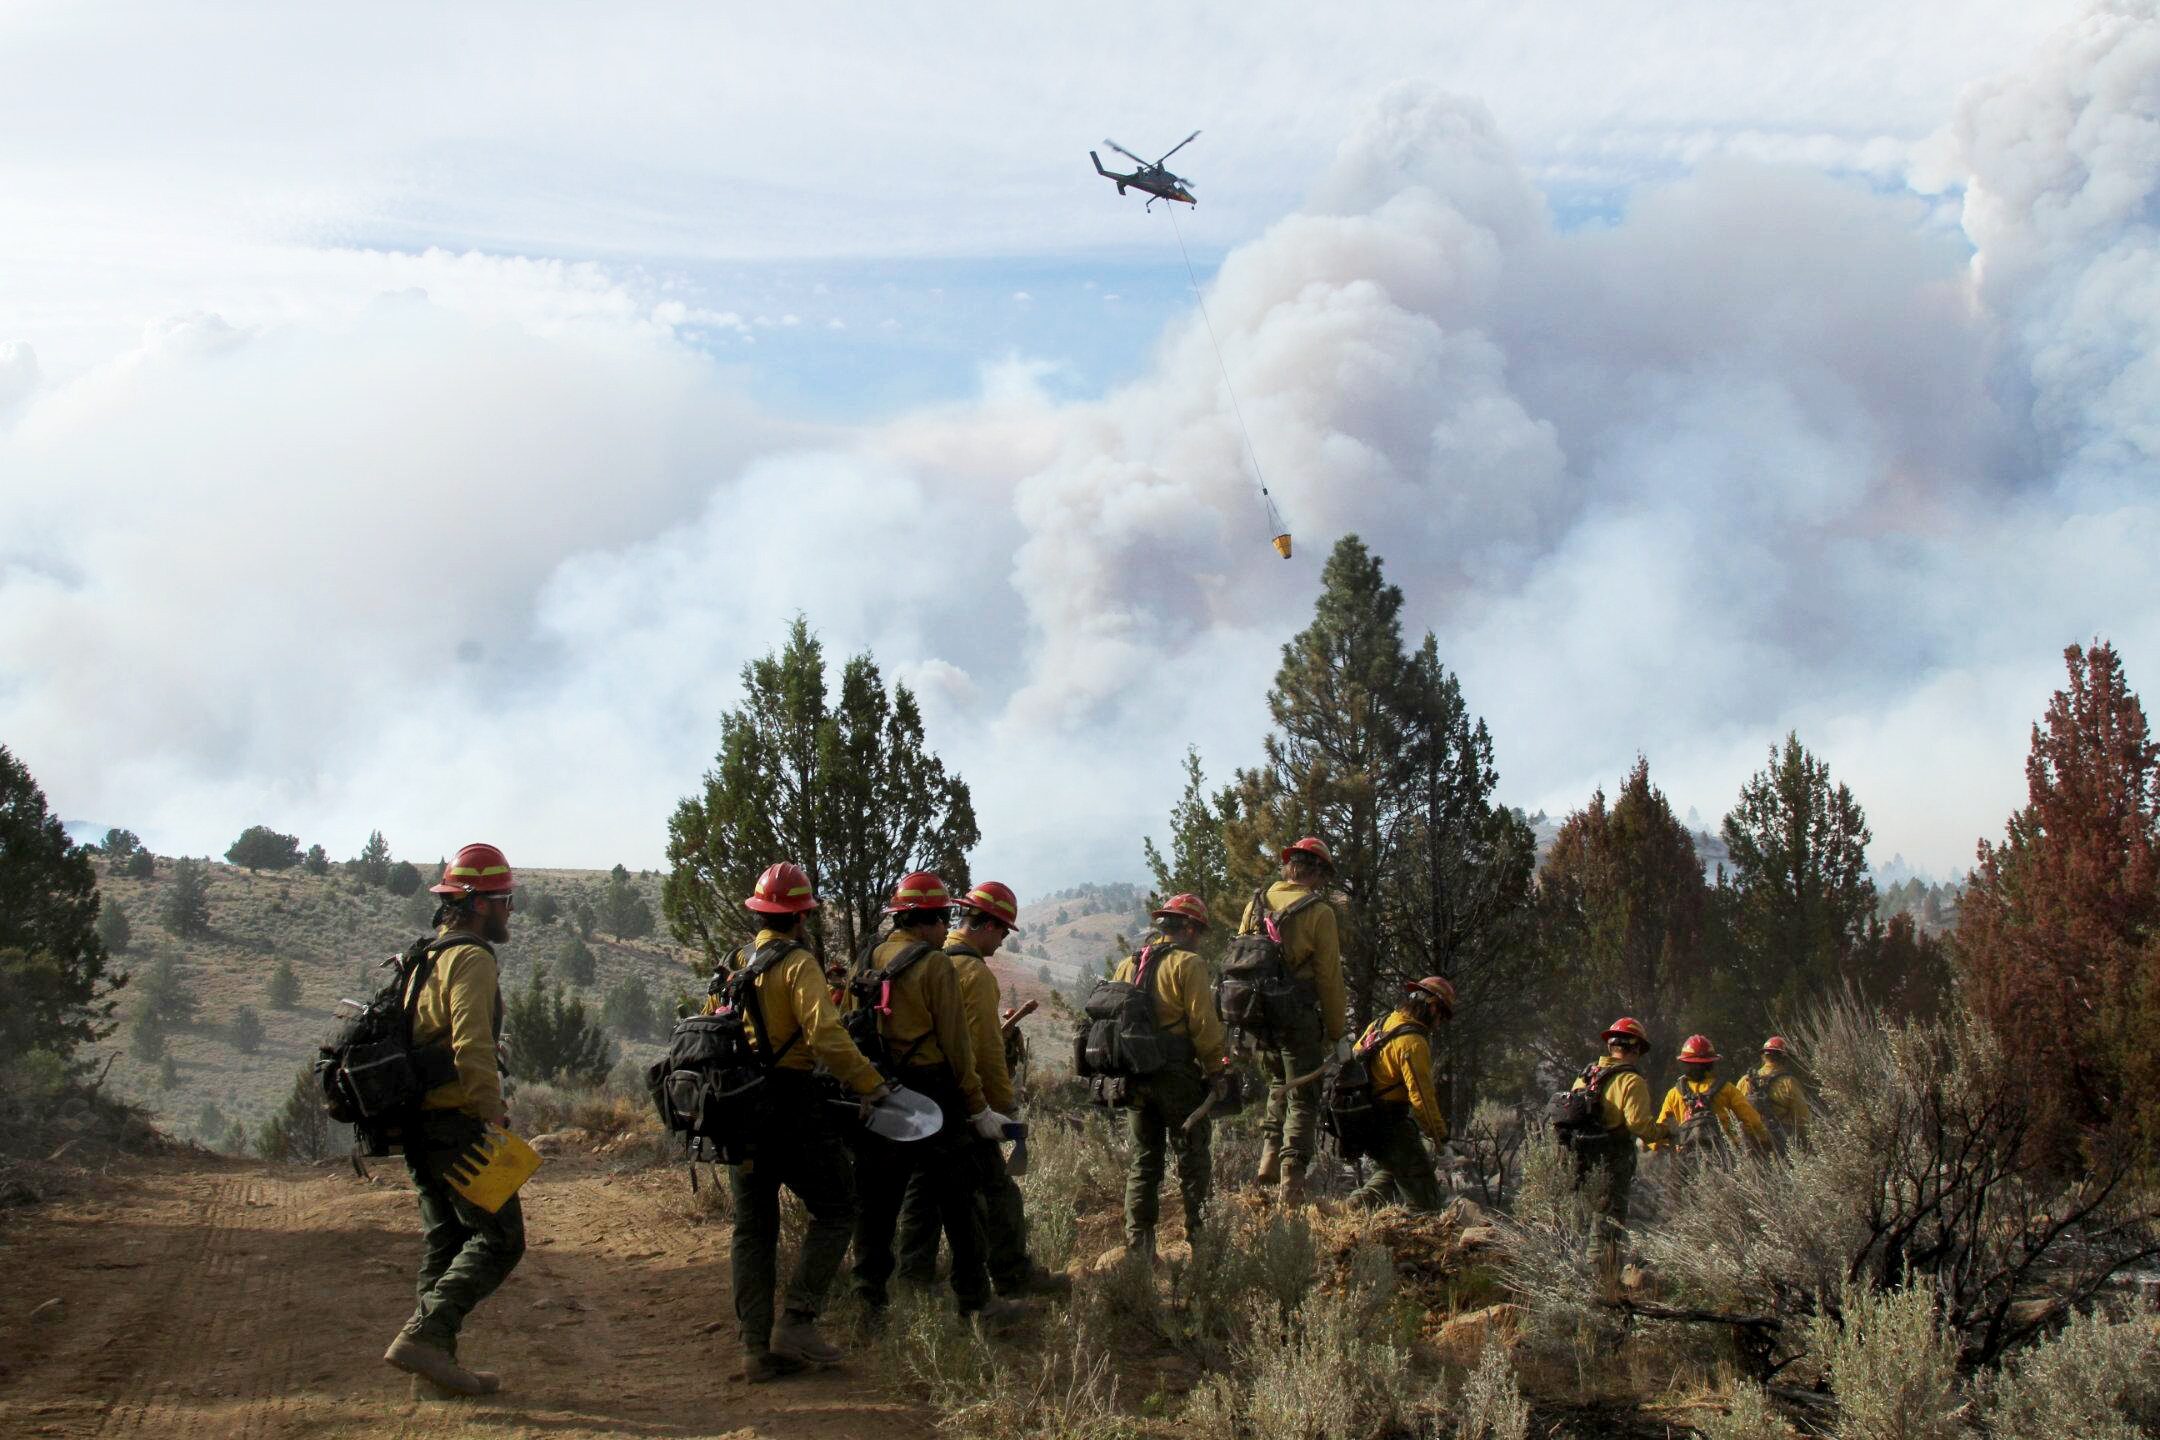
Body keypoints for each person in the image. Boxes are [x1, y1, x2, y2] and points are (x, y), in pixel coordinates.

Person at [728, 863, 891, 1383]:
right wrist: (871, 1084)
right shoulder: (798, 964)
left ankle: (755, 1348)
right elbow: (825, 1035)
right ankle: (797, 1321)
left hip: (739, 1108)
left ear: (759, 912)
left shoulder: (738, 961)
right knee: (838, 1207)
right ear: (800, 917)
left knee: (753, 1230)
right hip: (789, 1105)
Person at [382, 843, 526, 1398]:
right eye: (504, 900)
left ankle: (432, 1373)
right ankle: (424, 1336)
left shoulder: (428, 955)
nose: (509, 910)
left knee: (444, 1241)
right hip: (456, 1124)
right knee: (501, 1238)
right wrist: (492, 1117)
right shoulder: (472, 958)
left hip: (419, 1126)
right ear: (478, 904)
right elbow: (472, 1046)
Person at [849, 872, 1019, 1321]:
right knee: (959, 1203)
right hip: (933, 1092)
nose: (948, 928)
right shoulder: (935, 965)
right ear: (931, 918)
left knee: (879, 1203)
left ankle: (869, 1303)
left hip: (880, 1089)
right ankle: (975, 1300)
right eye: (944, 918)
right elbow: (959, 1045)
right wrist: (978, 1105)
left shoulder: (871, 954)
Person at [895, 881, 1069, 1298]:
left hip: (918, 1100)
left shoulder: (927, 959)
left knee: (923, 1192)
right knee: (996, 1190)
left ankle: (912, 1280)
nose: (1003, 941)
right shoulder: (973, 973)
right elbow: (986, 1050)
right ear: (986, 925)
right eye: (1003, 931)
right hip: (963, 1102)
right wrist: (1001, 1105)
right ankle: (1011, 1275)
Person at [1114, 894, 1231, 1259]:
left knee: (1145, 1160)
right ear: (1190, 928)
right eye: (1200, 932)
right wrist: (1217, 1069)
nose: (1201, 940)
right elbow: (1203, 1024)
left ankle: (1139, 1251)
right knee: (1193, 1159)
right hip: (1176, 1076)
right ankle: (1202, 1248)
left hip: (1133, 1076)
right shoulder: (1189, 964)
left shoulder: (1126, 964)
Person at [1238, 836, 1346, 1205]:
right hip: (1296, 1014)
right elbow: (1329, 976)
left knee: (1276, 1085)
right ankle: (1292, 1179)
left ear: (1289, 867)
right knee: (1303, 1095)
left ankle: (1269, 1153)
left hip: (1257, 1014)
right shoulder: (1319, 912)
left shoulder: (1256, 902)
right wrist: (1337, 1031)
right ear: (1316, 872)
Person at [1346, 976, 1456, 1213]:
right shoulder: (1412, 1042)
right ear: (1433, 1006)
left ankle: (1355, 1206)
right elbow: (1422, 1100)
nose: (1440, 1023)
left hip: (1364, 1119)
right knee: (1425, 1199)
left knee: (1393, 1168)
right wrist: (1440, 1141)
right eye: (1442, 1015)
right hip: (1390, 1122)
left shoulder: (1382, 1023)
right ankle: (1421, 1240)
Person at [1566, 1018, 1669, 1238]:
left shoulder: (1584, 1076)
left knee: (1580, 1222)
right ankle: (1604, 1269)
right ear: (1636, 1048)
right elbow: (1639, 1125)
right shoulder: (1631, 1080)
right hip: (1613, 1160)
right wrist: (1665, 1132)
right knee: (1608, 1222)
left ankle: (1576, 1266)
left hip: (1579, 1157)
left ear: (1610, 1046)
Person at [1653, 1035, 1771, 1156]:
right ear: (1711, 1063)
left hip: (1687, 1159)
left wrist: (1656, 1146)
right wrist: (1763, 1141)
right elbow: (1753, 1121)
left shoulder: (1674, 1094)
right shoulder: (1727, 1089)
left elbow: (1659, 1131)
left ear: (1685, 1063)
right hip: (1725, 1156)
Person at [1736, 1036, 1809, 1148]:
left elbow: (1734, 1112)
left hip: (1752, 1142)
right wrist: (1806, 1142)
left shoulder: (1745, 1080)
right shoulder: (1789, 1082)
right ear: (1785, 1058)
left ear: (1764, 1057)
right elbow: (1802, 1117)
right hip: (1780, 1143)